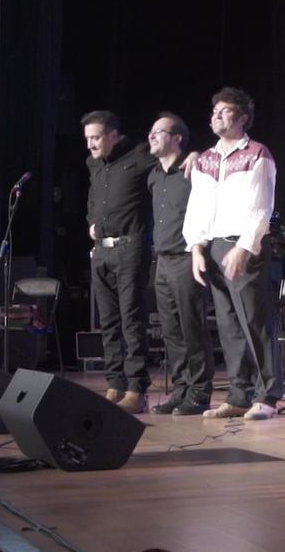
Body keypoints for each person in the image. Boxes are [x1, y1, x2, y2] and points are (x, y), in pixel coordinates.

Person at [184, 87, 284, 421]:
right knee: (228, 326)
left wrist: (244, 247)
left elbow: (262, 207)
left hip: (244, 246)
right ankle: (239, 394)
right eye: (214, 110)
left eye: (225, 111)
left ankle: (267, 395)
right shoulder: (204, 160)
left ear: (242, 118)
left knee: (255, 322)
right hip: (213, 246)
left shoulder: (257, 154)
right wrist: (197, 248)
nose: (216, 115)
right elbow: (196, 208)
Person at [83, 110, 152, 414]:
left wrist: (188, 159)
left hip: (130, 246)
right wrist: (91, 221)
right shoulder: (93, 164)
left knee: (131, 318)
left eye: (96, 138)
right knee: (108, 321)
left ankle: (137, 389)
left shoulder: (138, 157)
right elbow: (93, 198)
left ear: (113, 135)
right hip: (101, 250)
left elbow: (168, 161)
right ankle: (115, 383)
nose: (91, 145)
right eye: (88, 139)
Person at [147, 112, 215, 416]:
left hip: (187, 257)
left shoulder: (193, 170)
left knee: (192, 329)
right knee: (171, 331)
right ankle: (181, 389)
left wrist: (197, 154)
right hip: (161, 260)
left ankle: (200, 392)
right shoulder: (153, 176)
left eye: (159, 132)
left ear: (177, 139)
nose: (151, 136)